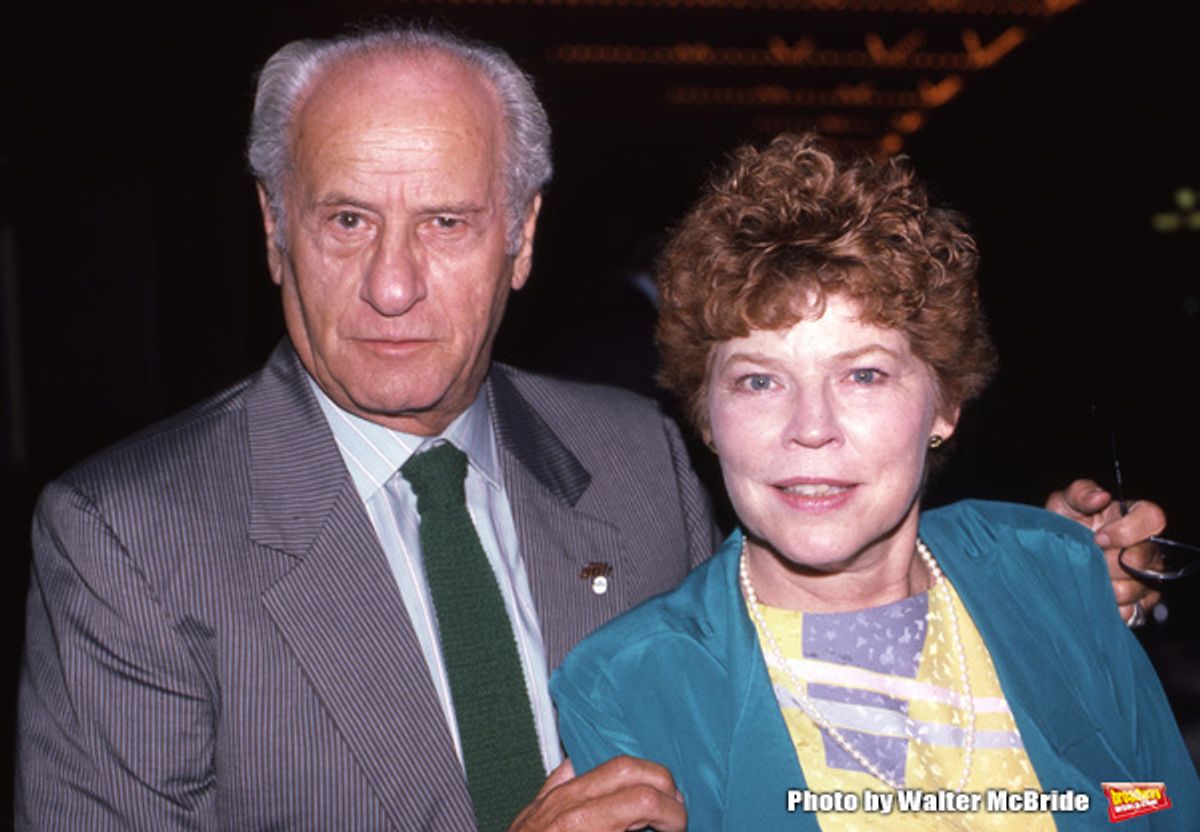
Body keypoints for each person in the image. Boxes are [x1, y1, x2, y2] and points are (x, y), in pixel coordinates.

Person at [14, 25, 1166, 832]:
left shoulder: (637, 454)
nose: (393, 284)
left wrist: (1043, 574)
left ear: (522, 237)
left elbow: (815, 569)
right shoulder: (127, 538)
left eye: (449, 222)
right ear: (275, 230)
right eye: (348, 219)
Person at [551, 133, 1199, 830]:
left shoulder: (1054, 575)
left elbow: (1156, 804)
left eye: (863, 374)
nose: (811, 427)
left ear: (945, 403)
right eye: (760, 381)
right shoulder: (630, 686)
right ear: (706, 416)